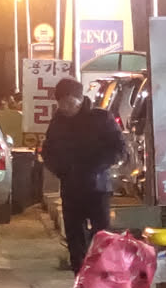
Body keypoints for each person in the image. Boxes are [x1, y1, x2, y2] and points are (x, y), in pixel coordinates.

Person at [39, 77, 124, 269]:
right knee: (74, 237)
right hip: (70, 188)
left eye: (70, 102)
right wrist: (62, 170)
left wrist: (97, 166)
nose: (66, 108)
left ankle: (101, 272)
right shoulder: (58, 122)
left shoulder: (101, 118)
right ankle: (80, 274)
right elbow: (48, 151)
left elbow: (119, 148)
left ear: (80, 99)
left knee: (102, 234)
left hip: (98, 188)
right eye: (61, 103)